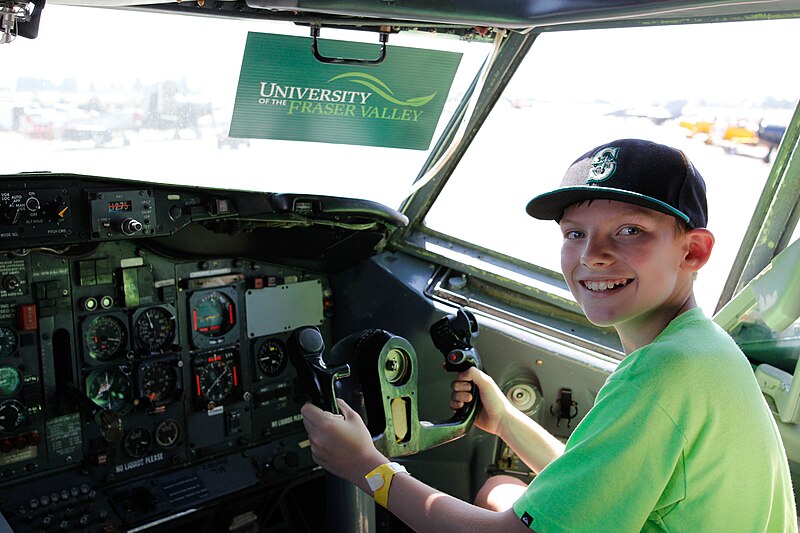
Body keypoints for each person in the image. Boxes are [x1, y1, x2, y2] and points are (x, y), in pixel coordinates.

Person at [301, 138, 797, 532]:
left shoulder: (663, 374)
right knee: (499, 489)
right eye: (575, 233)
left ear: (692, 252)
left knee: (498, 499)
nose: (592, 255)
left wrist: (365, 466)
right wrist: (509, 423)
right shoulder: (700, 347)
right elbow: (599, 486)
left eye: (629, 231)